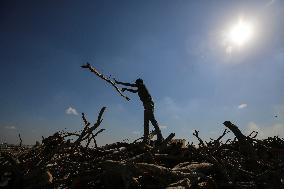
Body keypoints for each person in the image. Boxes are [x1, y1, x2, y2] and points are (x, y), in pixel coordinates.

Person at [115, 78, 163, 144]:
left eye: (137, 83)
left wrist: (119, 82)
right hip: (146, 106)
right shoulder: (140, 88)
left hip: (149, 104)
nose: (136, 84)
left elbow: (130, 85)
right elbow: (134, 91)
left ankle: (160, 137)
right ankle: (146, 139)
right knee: (146, 123)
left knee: (152, 120)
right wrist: (126, 89)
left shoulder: (142, 85)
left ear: (140, 83)